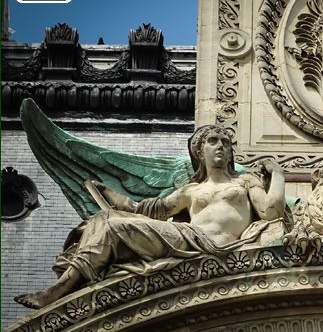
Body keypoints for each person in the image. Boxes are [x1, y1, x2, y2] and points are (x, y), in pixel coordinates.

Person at [15, 125, 286, 309]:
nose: (220, 147)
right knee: (104, 220)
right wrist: (105, 189)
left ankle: (55, 293)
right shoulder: (190, 190)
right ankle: (60, 290)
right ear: (200, 152)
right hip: (188, 238)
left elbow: (272, 211)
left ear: (230, 152)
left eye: (225, 143)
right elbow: (143, 210)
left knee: (111, 225)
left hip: (218, 244)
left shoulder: (246, 182)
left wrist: (278, 174)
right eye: (212, 142)